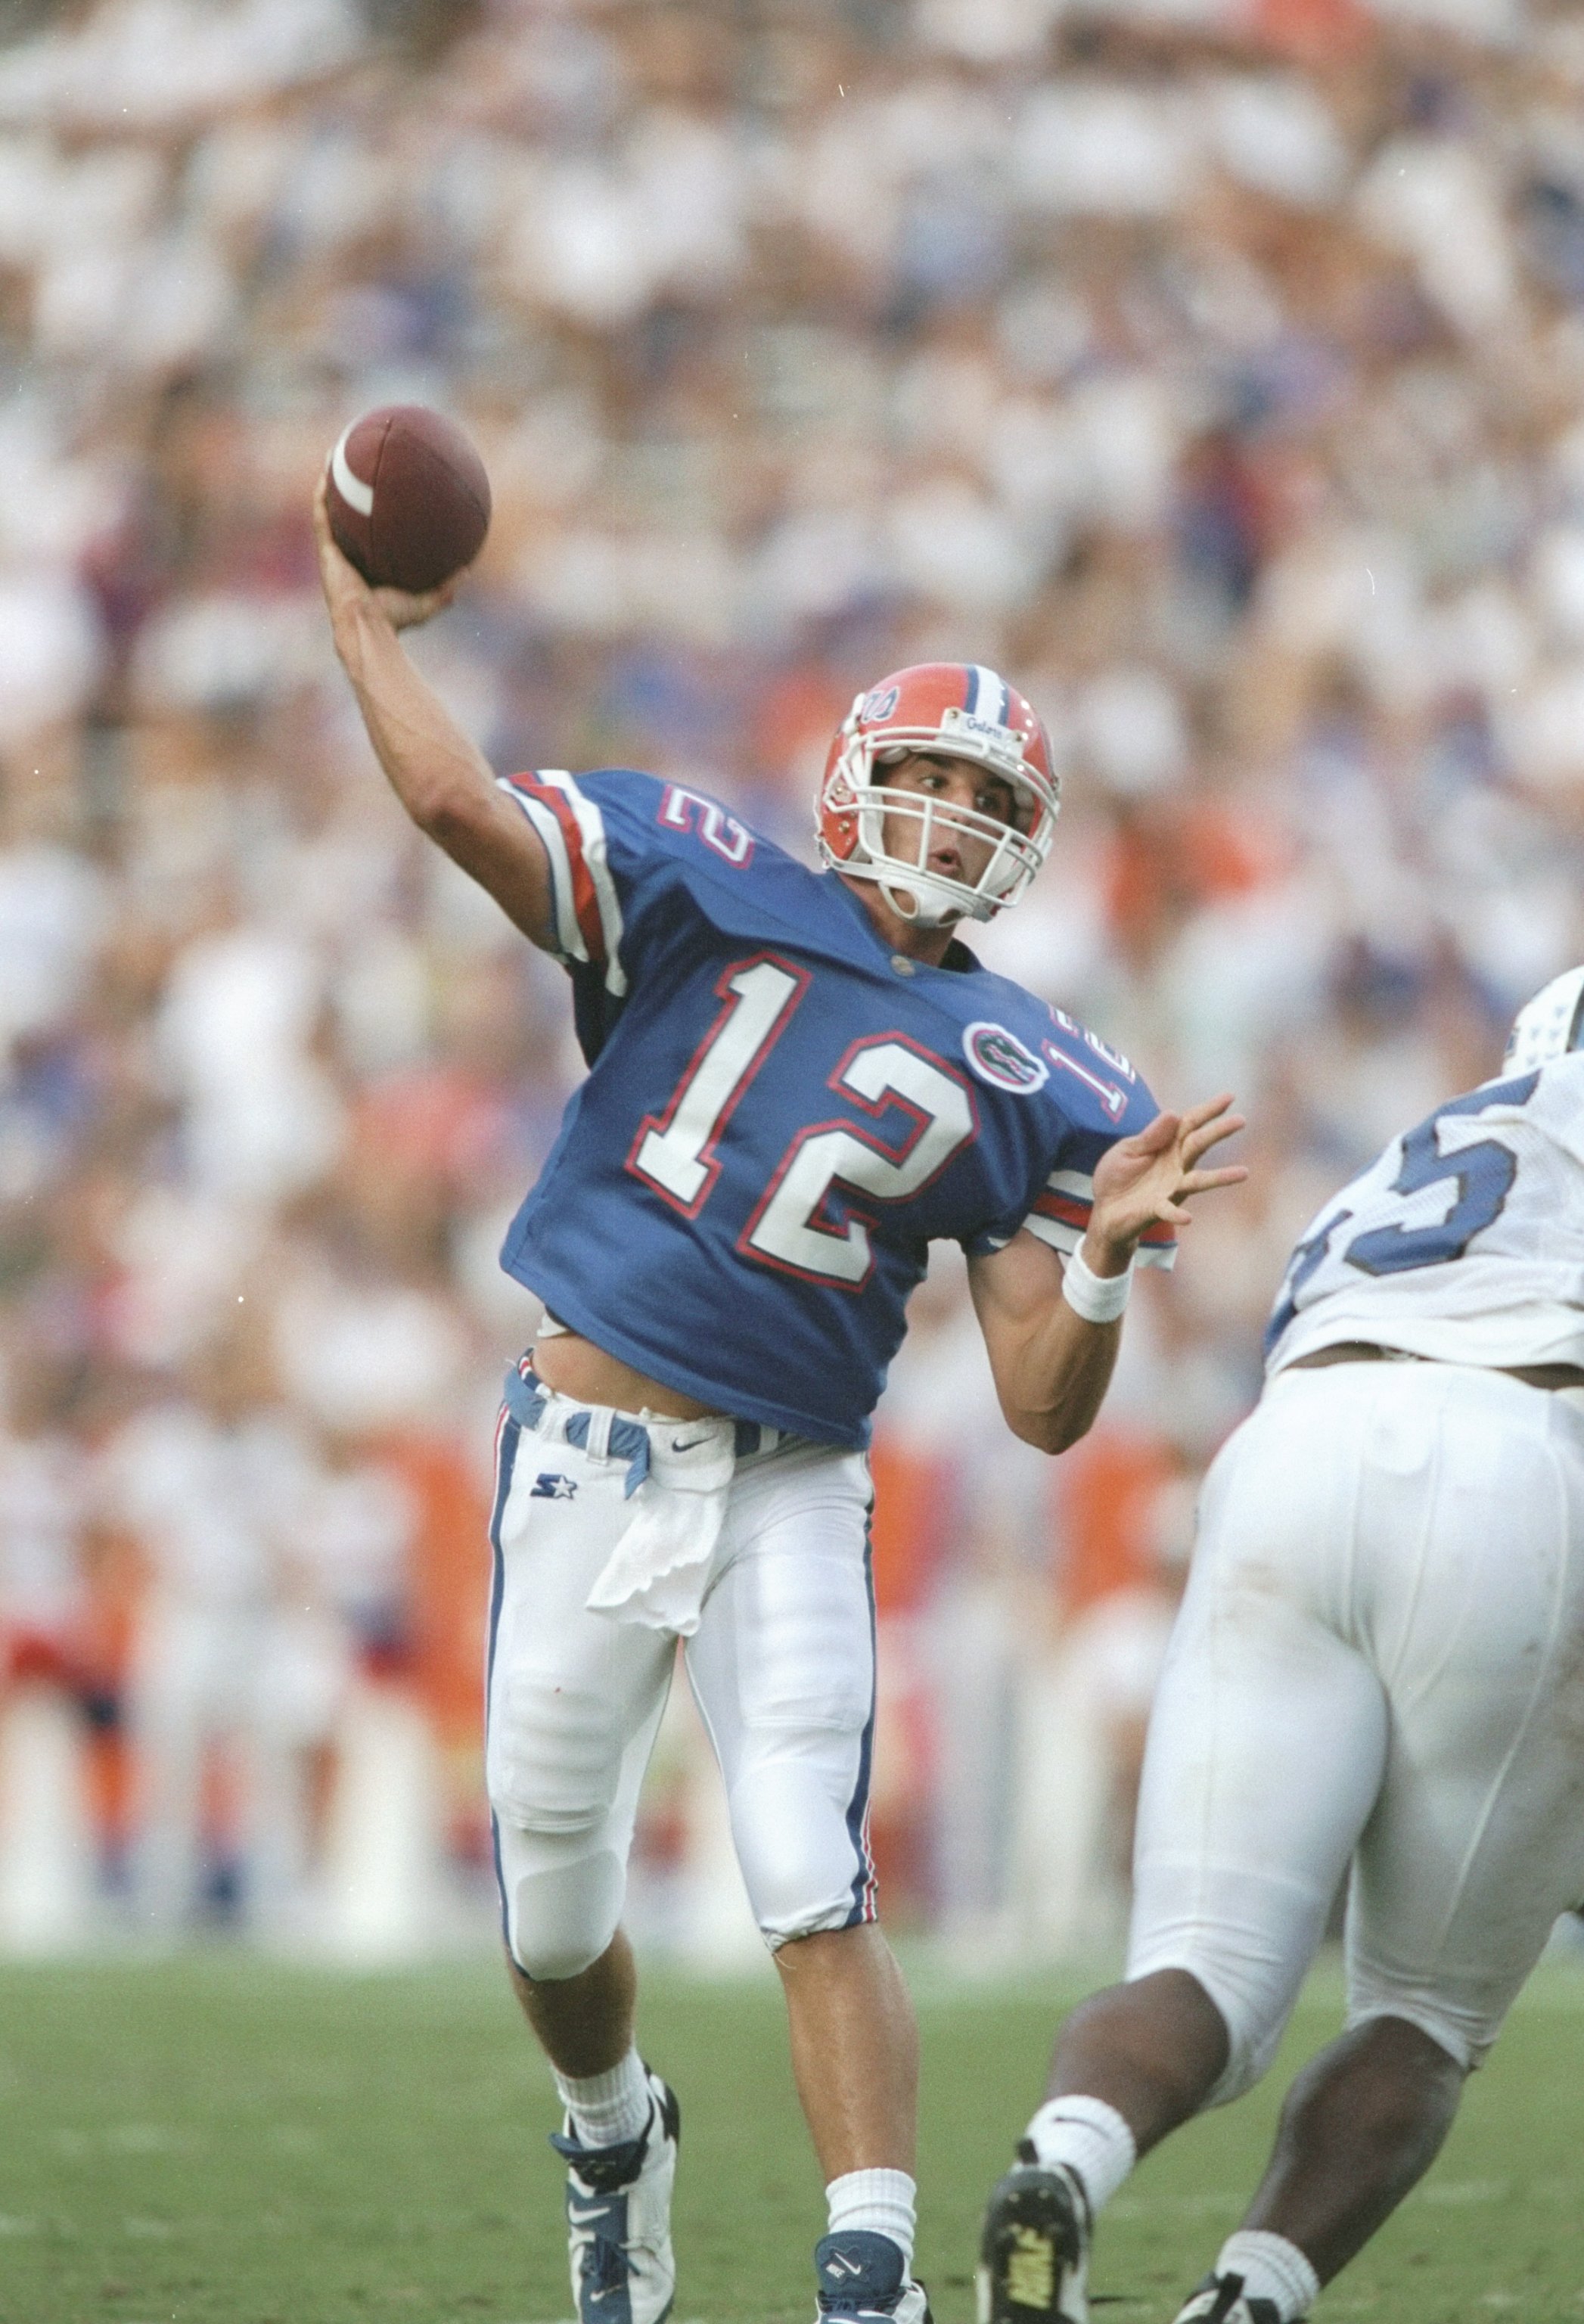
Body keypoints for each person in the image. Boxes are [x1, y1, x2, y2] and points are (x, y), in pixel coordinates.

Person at [312, 476, 1244, 2324]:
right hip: (582, 1452)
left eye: (993, 803)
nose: (954, 815)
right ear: (849, 770)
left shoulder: (1046, 1069)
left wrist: (1108, 1260)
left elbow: (1046, 1407)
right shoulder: (695, 861)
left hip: (793, 1481)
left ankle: (872, 2277)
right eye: (935, 775)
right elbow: (449, 800)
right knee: (554, 1912)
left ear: (1029, 846)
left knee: (811, 1874)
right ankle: (612, 2134)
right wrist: (355, 609)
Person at [977, 964, 1584, 2324]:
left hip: (1294, 1452)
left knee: (1203, 1968)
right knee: (1423, 2014)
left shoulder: (1430, 1143)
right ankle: (1247, 2299)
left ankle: (1059, 2166)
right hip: (1518, 1466)